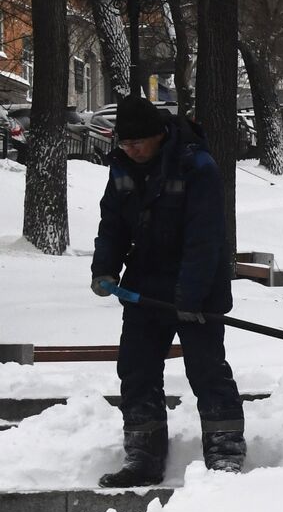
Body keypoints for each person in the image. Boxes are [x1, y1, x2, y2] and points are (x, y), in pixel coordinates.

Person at [90, 95, 245, 487]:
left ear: (159, 135)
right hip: (145, 285)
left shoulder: (196, 165)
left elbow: (205, 237)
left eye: (138, 142)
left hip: (199, 285)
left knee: (206, 368)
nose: (132, 150)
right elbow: (113, 224)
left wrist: (189, 297)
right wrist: (105, 269)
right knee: (137, 368)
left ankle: (225, 449)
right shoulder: (122, 168)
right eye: (124, 144)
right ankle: (143, 453)